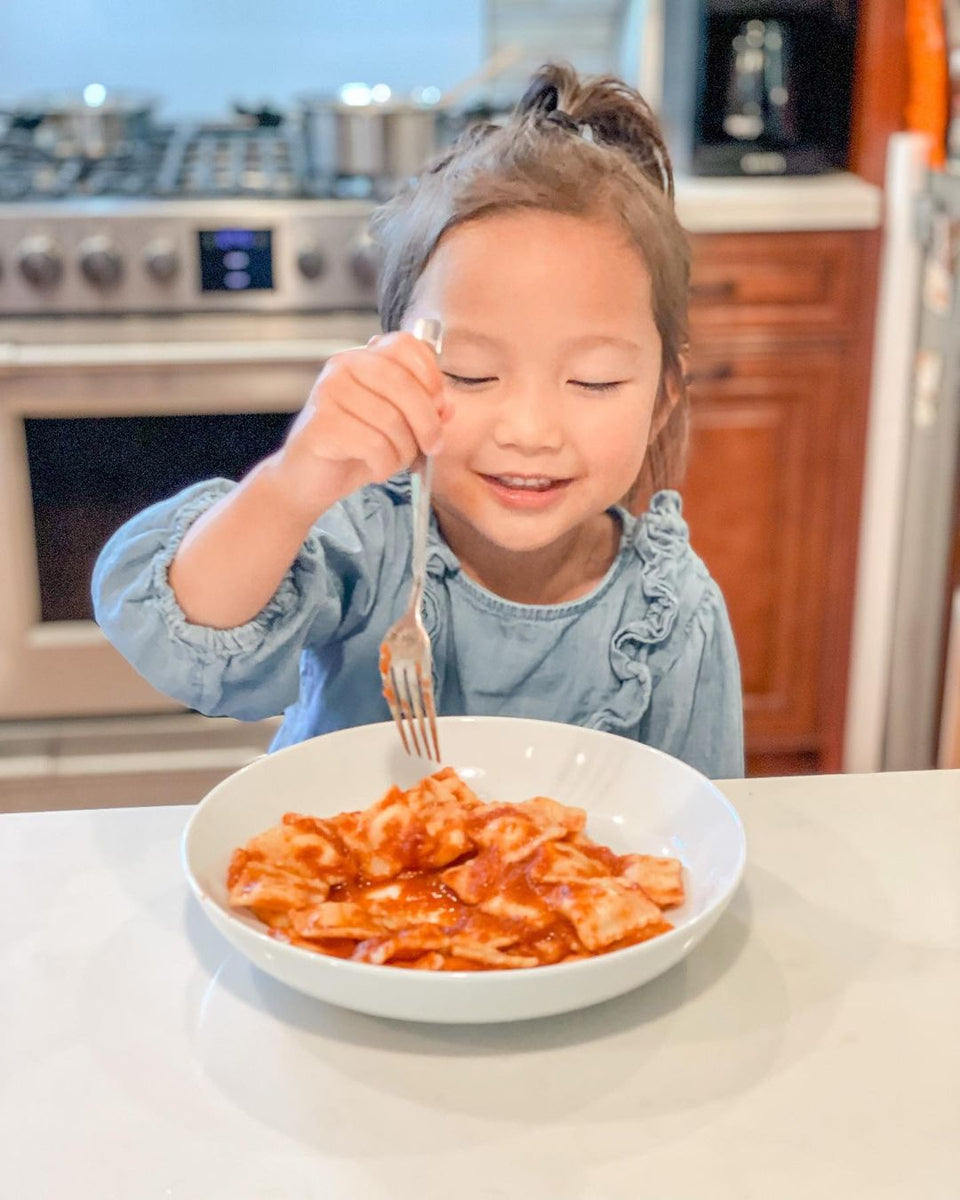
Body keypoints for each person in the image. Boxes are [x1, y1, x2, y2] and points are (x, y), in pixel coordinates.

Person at [92, 63, 744, 779]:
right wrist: (291, 485)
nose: (529, 430)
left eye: (592, 381)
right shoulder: (361, 547)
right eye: (468, 373)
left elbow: (693, 840)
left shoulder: (672, 614)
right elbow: (182, 637)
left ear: (662, 398)